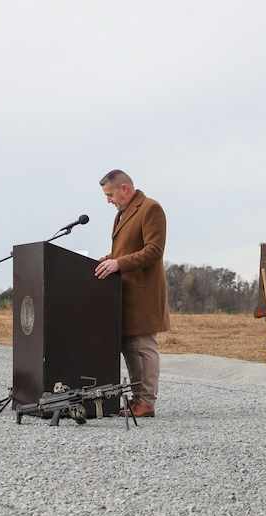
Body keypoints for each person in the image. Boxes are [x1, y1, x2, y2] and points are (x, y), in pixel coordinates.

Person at [95, 170, 170, 418]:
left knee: (144, 346)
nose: (109, 200)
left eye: (110, 194)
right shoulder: (121, 215)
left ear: (124, 188)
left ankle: (147, 401)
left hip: (143, 293)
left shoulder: (150, 209)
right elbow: (119, 252)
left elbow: (154, 250)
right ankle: (137, 400)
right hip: (124, 294)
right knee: (129, 346)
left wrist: (118, 264)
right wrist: (95, 263)